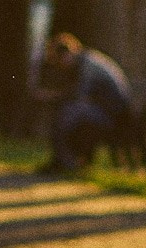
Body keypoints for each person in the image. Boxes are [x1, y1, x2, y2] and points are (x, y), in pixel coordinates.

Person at [37, 32, 136, 173]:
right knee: (68, 114)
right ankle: (64, 160)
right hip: (104, 110)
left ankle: (65, 161)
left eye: (60, 60)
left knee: (65, 114)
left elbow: (80, 95)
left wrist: (52, 96)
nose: (61, 66)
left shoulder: (88, 64)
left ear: (67, 54)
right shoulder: (86, 60)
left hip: (114, 114)